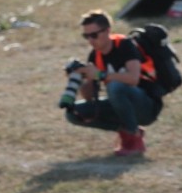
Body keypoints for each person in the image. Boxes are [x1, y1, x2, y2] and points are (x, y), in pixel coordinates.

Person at [64, 9, 163, 157]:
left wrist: (100, 74)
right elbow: (89, 97)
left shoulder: (124, 45)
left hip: (146, 106)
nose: (91, 40)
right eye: (86, 36)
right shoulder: (94, 55)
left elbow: (133, 79)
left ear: (107, 31)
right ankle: (128, 130)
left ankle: (134, 138)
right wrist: (82, 78)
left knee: (114, 85)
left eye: (94, 35)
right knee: (74, 113)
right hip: (121, 105)